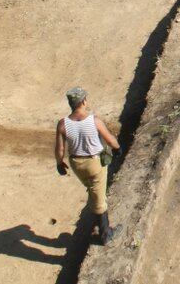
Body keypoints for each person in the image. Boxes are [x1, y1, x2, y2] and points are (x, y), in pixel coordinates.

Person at [55, 86, 121, 245]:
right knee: (99, 198)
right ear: (84, 101)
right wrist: (118, 149)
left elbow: (60, 149)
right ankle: (106, 234)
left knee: (92, 186)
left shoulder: (63, 124)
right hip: (94, 163)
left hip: (77, 164)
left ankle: (96, 212)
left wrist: (59, 163)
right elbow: (110, 139)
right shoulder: (94, 121)